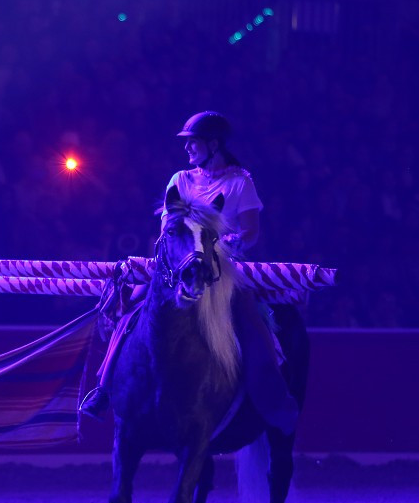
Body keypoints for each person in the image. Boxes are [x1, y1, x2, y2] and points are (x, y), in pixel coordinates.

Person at [79, 111, 299, 434]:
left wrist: (232, 241)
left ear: (213, 144)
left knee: (252, 323)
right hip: (177, 268)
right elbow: (168, 226)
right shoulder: (180, 180)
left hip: (220, 268)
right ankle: (104, 388)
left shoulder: (241, 182)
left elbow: (252, 231)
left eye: (192, 143)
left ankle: (274, 396)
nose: (187, 150)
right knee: (130, 313)